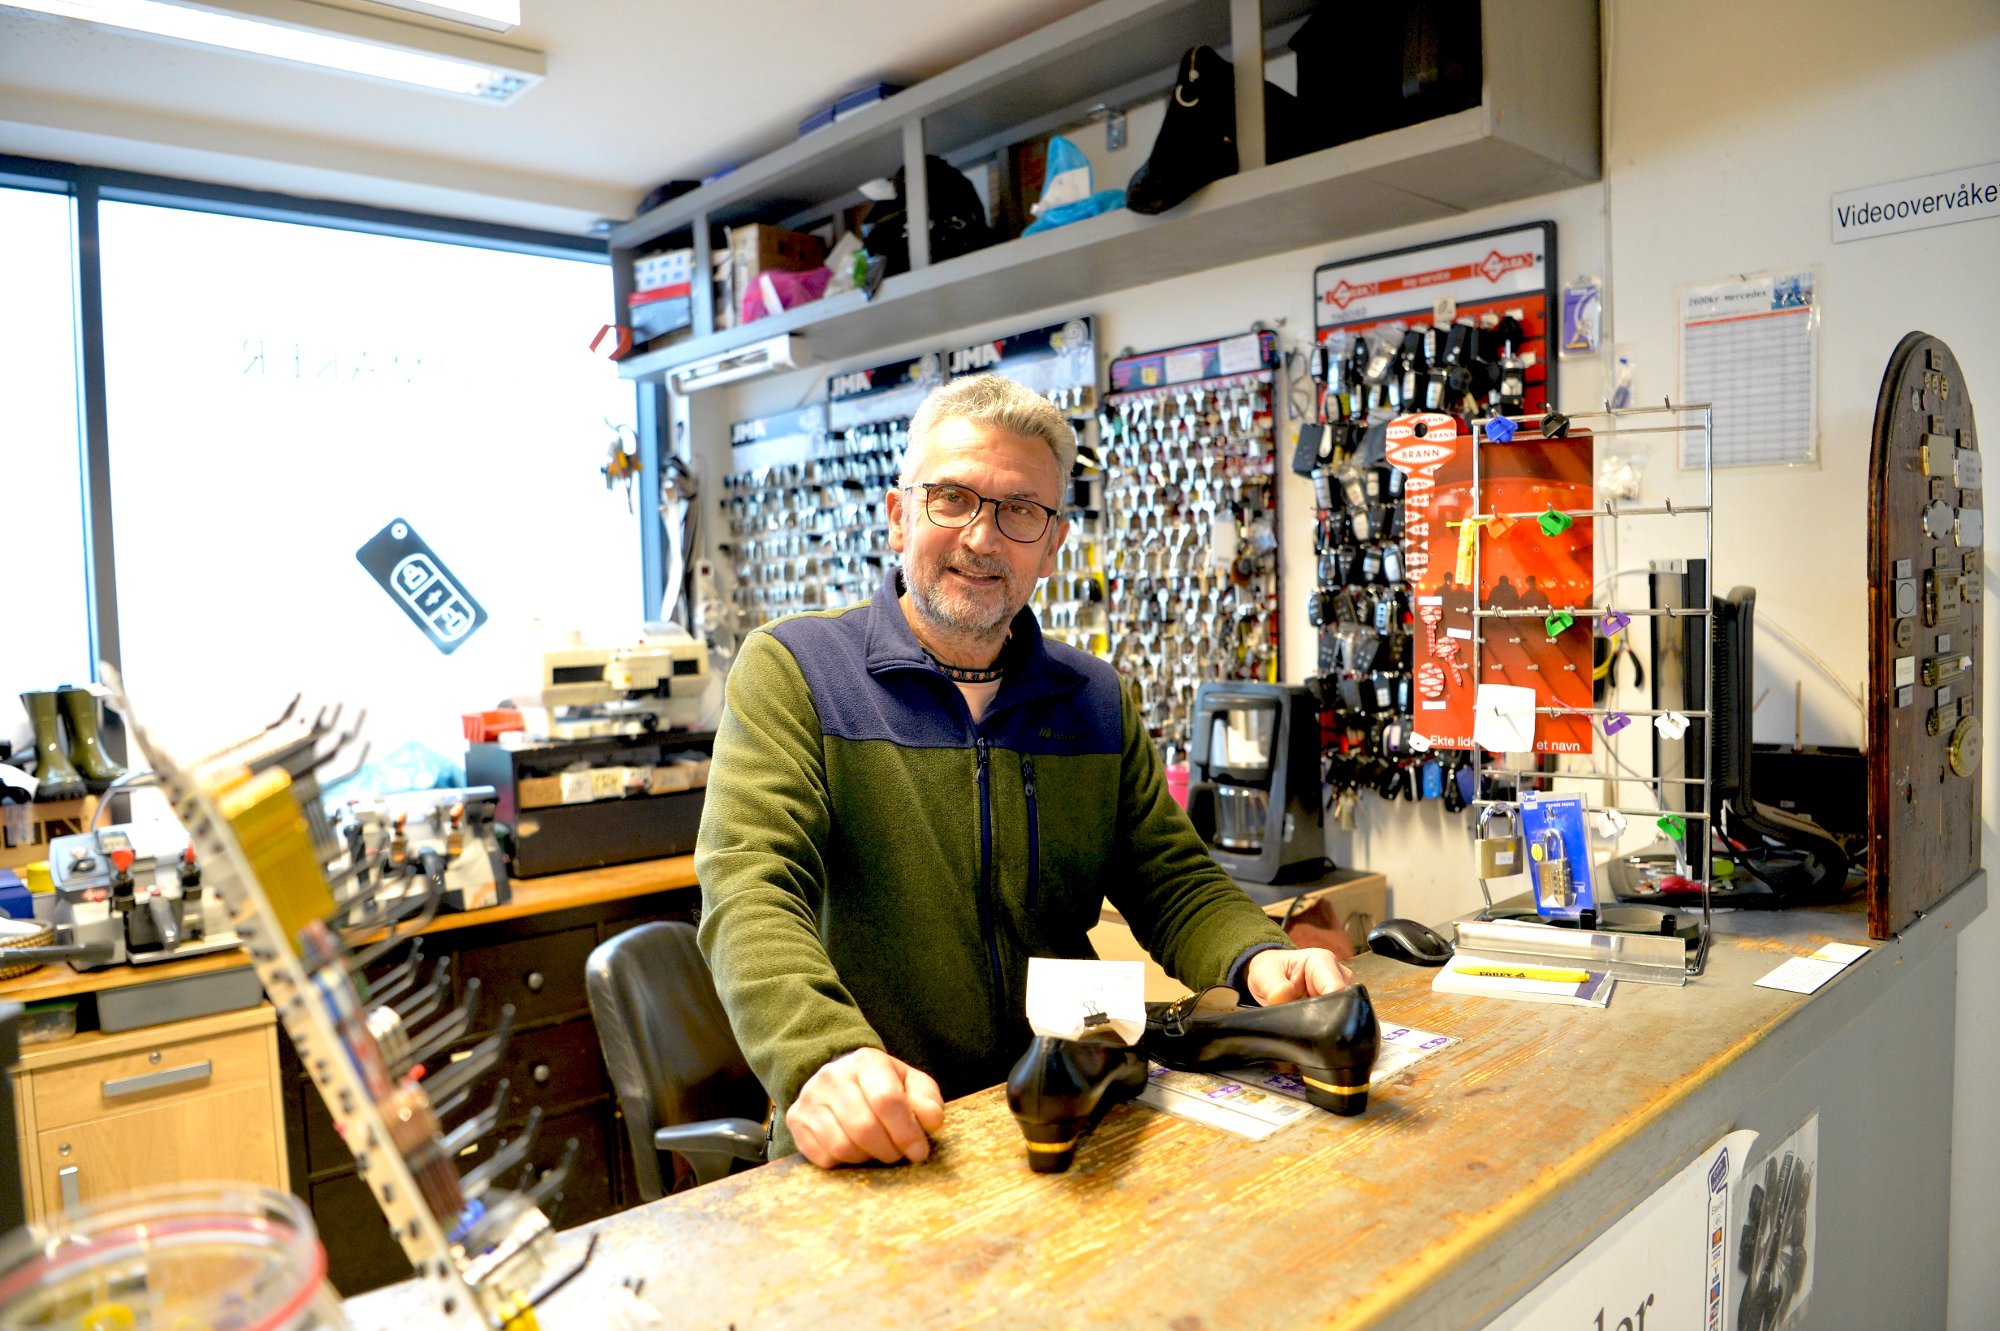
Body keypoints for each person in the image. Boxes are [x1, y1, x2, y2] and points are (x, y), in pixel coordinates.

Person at [694, 373, 1353, 1170]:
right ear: (900, 514)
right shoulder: (797, 672)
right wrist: (821, 1054)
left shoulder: (1094, 698)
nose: (981, 537)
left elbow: (1173, 879)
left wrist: (1259, 956)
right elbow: (748, 887)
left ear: (1052, 544)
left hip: (1067, 1111)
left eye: (1019, 511)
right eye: (951, 499)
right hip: (877, 1129)